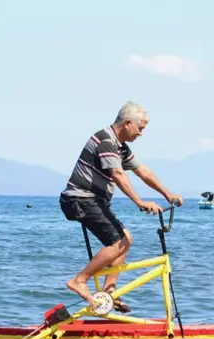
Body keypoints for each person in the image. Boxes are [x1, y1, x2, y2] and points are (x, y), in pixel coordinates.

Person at [59, 101, 183, 313]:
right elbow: (117, 174)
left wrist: (166, 193)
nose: (141, 134)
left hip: (92, 200)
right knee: (116, 243)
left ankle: (109, 291)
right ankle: (79, 280)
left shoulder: (120, 147)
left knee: (126, 239)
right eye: (140, 128)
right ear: (127, 124)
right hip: (81, 199)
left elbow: (142, 171)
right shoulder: (106, 141)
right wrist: (139, 201)